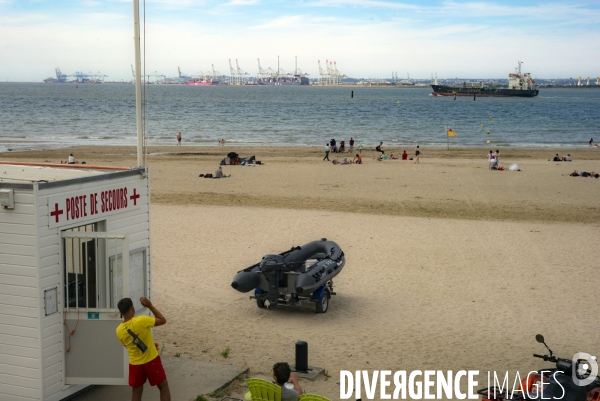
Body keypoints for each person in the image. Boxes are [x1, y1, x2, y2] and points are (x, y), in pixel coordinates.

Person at [116, 297, 171, 401]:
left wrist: (149, 343)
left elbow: (127, 345)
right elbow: (162, 320)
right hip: (151, 360)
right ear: (132, 308)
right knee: (163, 387)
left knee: (136, 392)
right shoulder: (141, 320)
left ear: (121, 312)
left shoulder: (119, 330)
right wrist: (150, 306)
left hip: (135, 364)